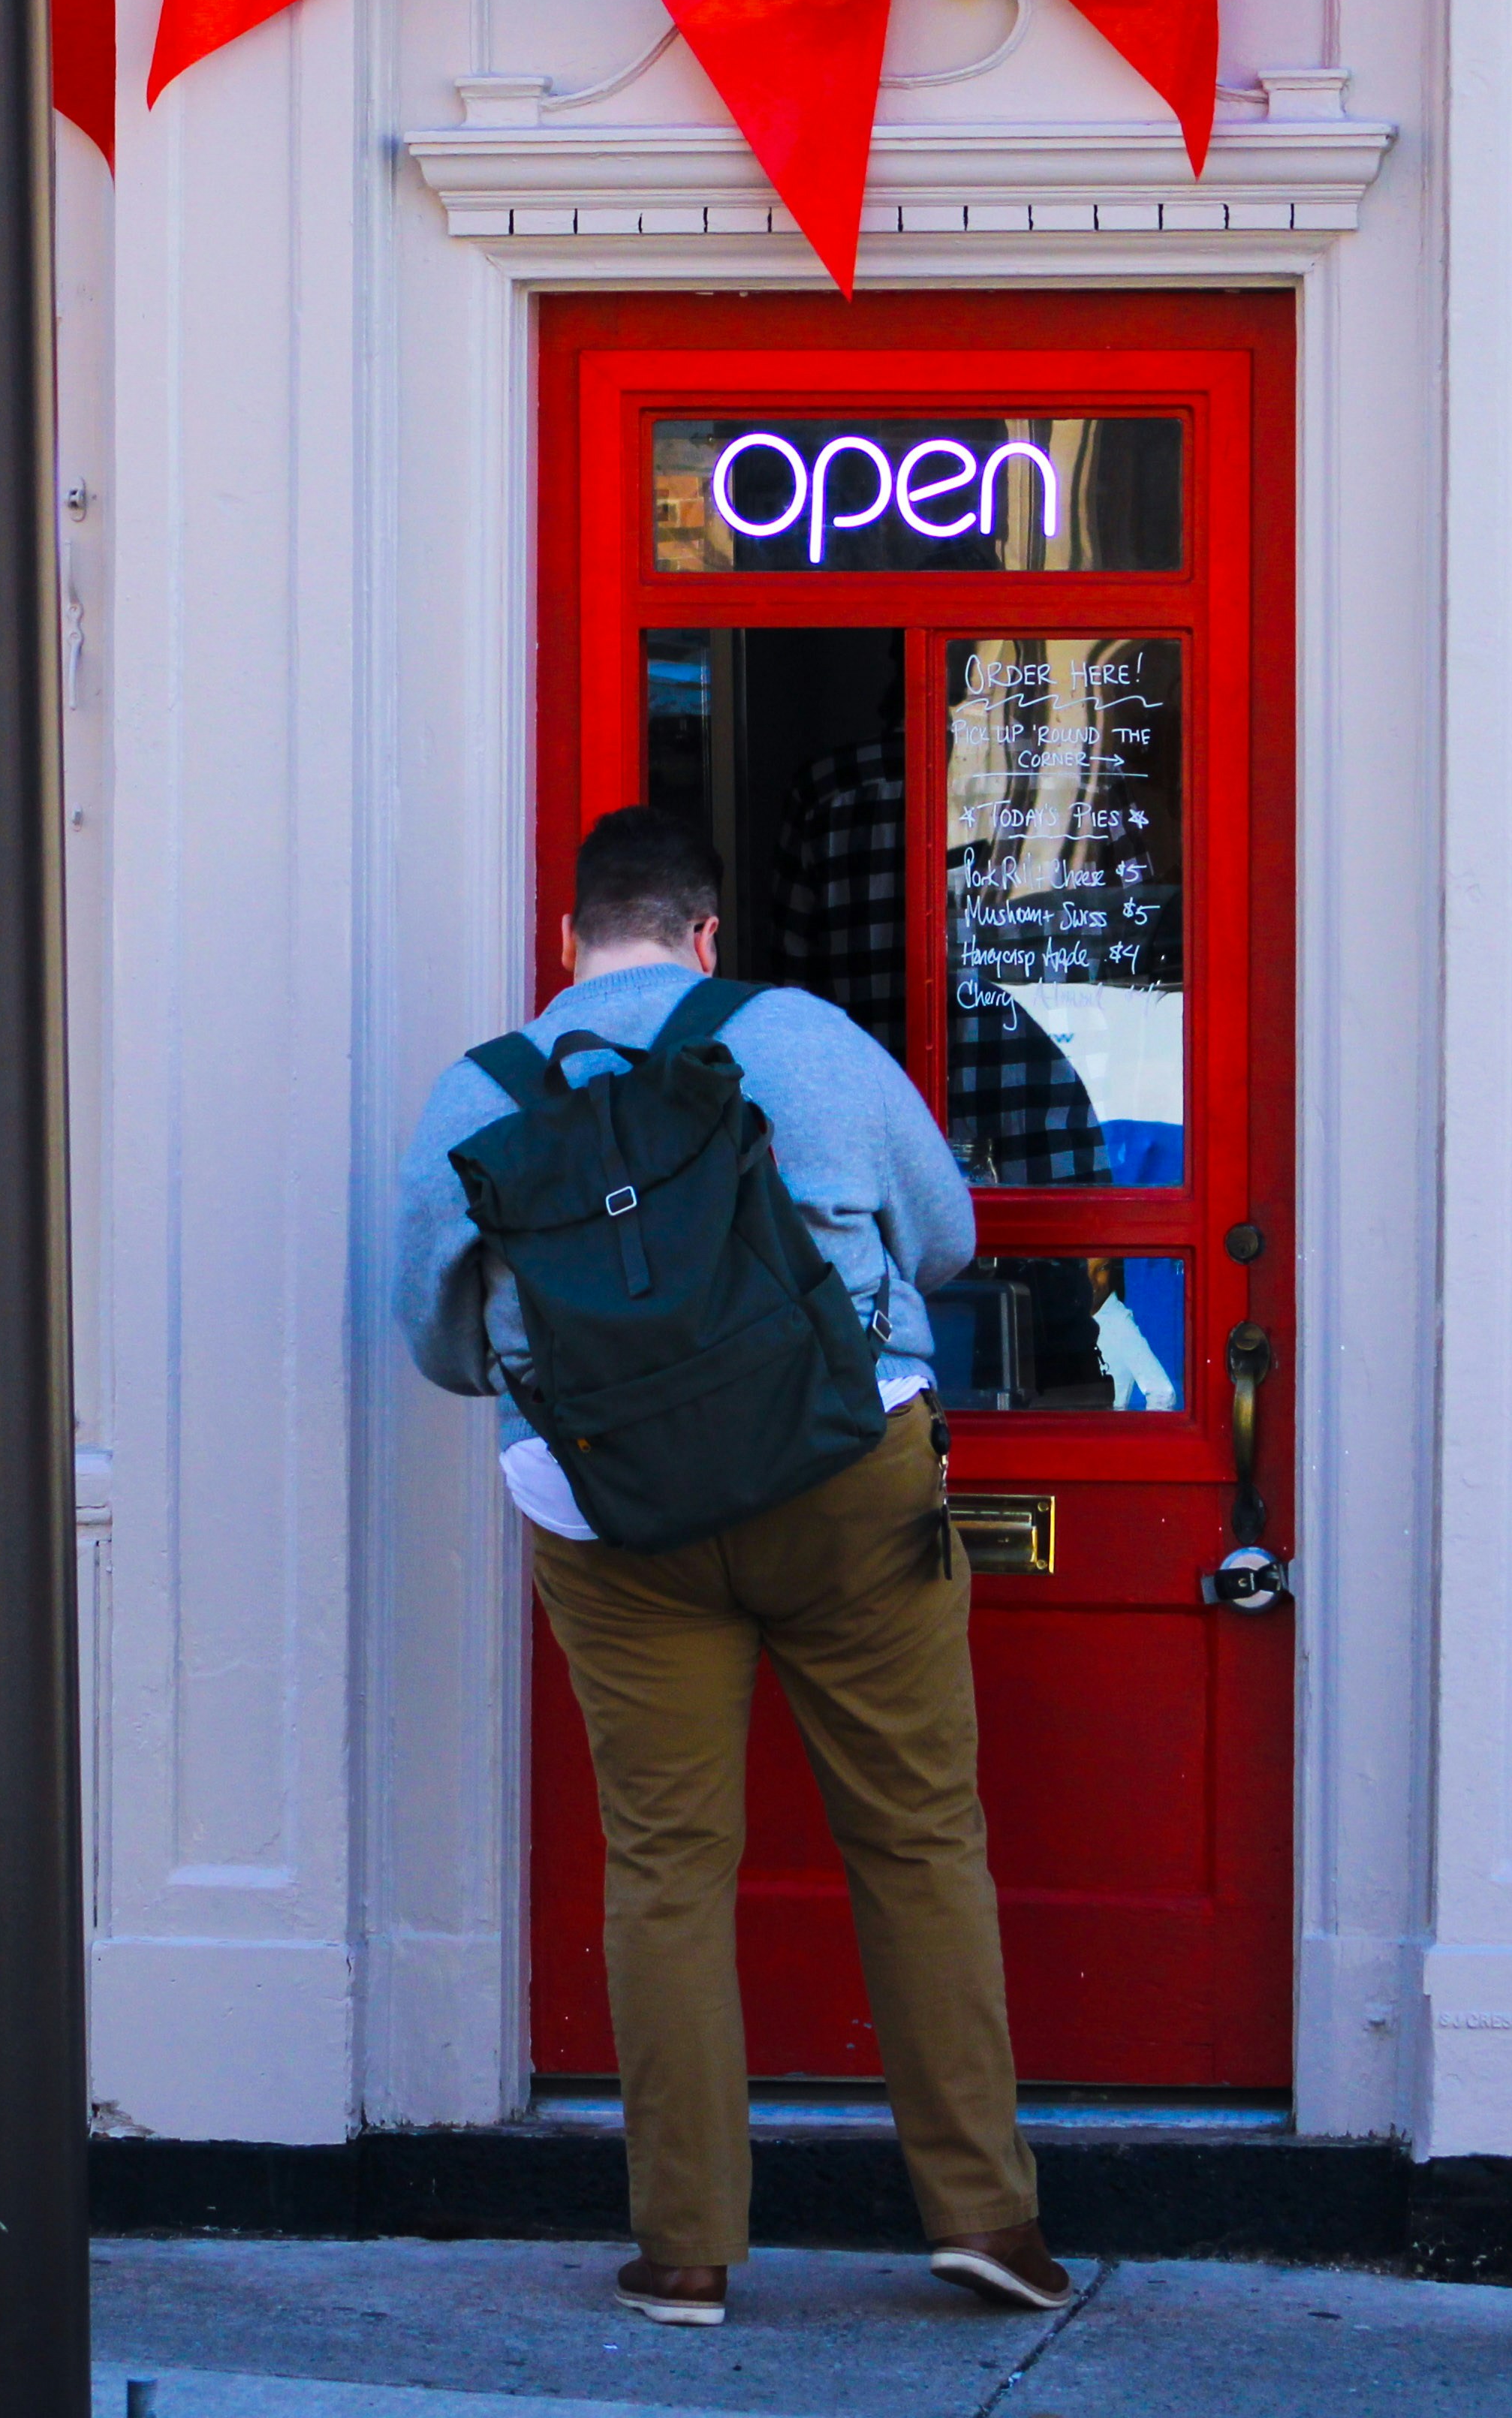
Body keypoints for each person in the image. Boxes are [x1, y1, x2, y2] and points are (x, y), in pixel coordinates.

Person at [396, 805, 1070, 2329]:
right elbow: (944, 1236)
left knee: (666, 1863)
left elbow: (441, 1341)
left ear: (567, 940)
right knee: (917, 1837)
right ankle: (986, 2216)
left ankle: (687, 2247)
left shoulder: (477, 1090)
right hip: (841, 1478)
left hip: (612, 1512)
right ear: (707, 934)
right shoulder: (806, 1039)